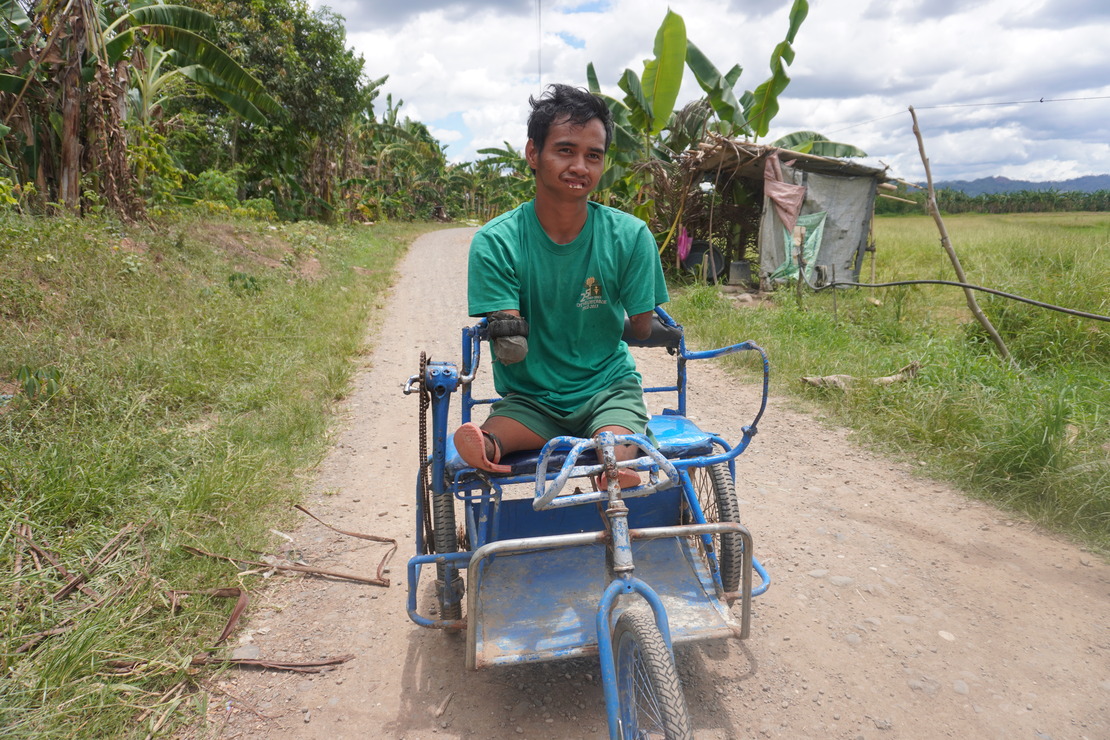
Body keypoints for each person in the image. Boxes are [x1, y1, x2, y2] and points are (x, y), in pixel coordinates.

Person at [453, 83, 669, 488]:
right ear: (533, 153)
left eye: (593, 156)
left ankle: (608, 462)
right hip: (532, 398)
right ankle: (490, 445)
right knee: (504, 434)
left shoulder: (631, 235)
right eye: (565, 150)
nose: (580, 167)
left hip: (608, 390)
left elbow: (511, 343)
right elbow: (642, 327)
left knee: (613, 433)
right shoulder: (497, 241)